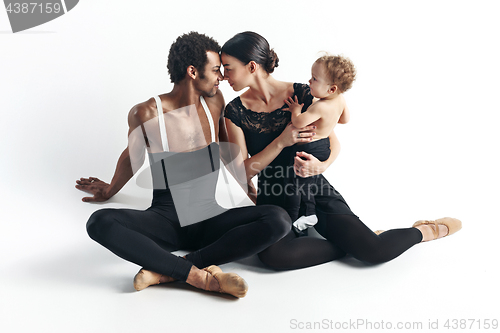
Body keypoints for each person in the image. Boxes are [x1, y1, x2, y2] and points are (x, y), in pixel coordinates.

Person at [221, 31, 461, 270]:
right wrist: (281, 142)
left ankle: (425, 230)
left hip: (313, 187)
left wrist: (322, 165)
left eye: (228, 67)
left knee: (375, 252)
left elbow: (332, 141)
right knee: (274, 257)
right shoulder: (235, 112)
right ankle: (349, 245)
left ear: (251, 66)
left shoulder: (304, 93)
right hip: (274, 196)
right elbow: (243, 173)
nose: (223, 76)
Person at [76, 32, 291, 298]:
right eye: (215, 70)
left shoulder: (215, 103)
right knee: (99, 222)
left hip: (210, 220)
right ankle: (199, 277)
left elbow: (228, 154)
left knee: (278, 219)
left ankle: (170, 270)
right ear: (192, 71)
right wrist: (110, 190)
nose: (221, 77)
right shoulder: (146, 112)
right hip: (165, 222)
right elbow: (133, 157)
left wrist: (249, 192)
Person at [282, 54, 355, 235]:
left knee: (296, 184)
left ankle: (305, 215)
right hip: (323, 147)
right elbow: (345, 119)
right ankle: (306, 215)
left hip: (309, 147)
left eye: (314, 79)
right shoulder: (340, 100)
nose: (309, 81)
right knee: (307, 182)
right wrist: (327, 123)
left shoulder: (320, 106)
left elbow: (298, 123)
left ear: (331, 89)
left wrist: (296, 110)